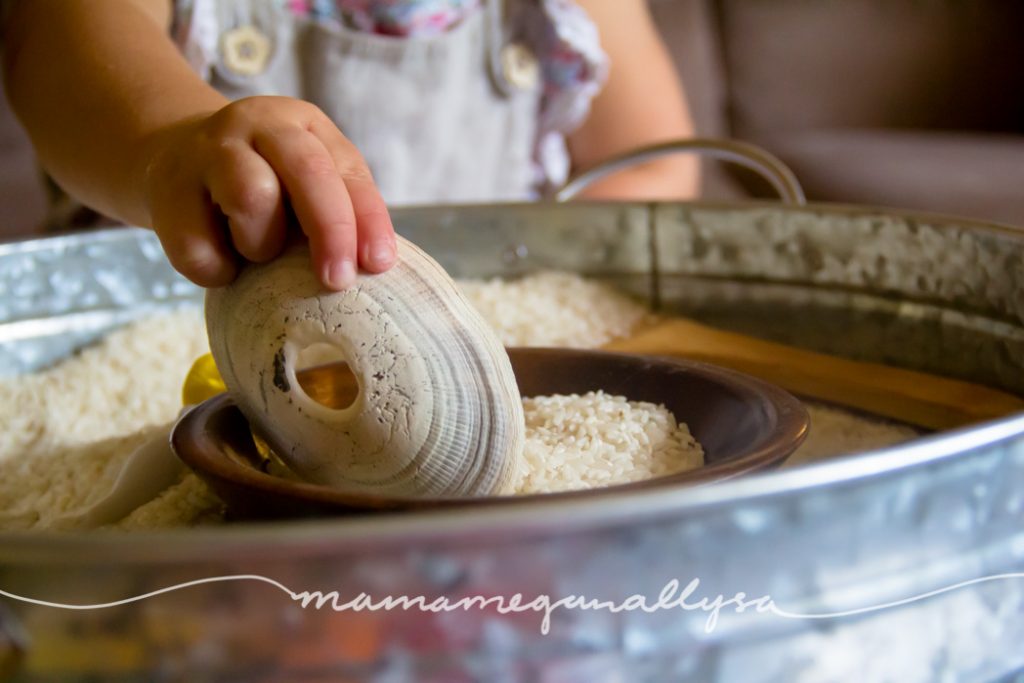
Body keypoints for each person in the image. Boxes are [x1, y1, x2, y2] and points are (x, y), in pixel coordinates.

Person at [1, 0, 697, 291]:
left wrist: (514, 300)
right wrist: (167, 143)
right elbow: (51, 42)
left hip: (472, 335)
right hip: (173, 340)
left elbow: (659, 164)